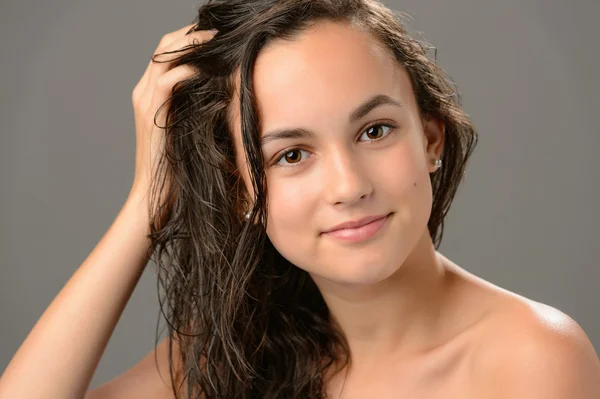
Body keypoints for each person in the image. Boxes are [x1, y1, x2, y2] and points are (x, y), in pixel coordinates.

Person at [1, 0, 599, 398]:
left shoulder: (530, 359)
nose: (349, 185)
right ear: (240, 194)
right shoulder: (236, 350)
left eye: (375, 131)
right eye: (291, 155)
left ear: (431, 138)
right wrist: (146, 205)